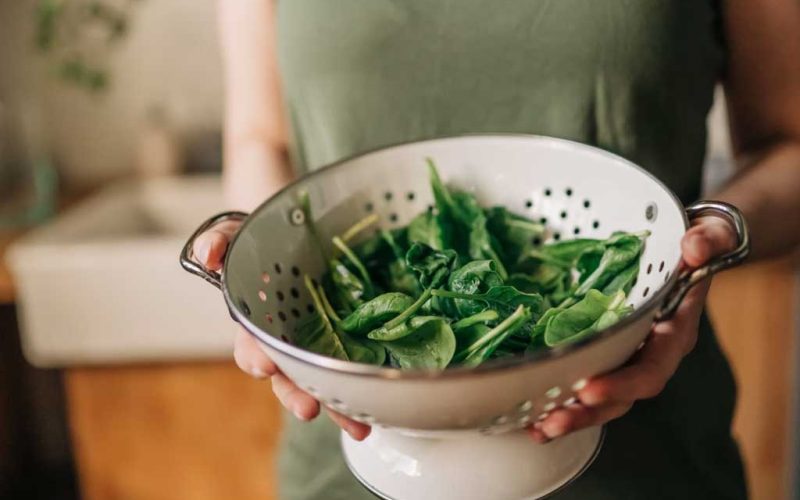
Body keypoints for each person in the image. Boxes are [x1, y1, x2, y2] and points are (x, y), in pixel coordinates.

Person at [192, 2, 800, 498]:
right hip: (349, 451)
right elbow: (259, 137)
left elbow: (789, 145)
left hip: (651, 454)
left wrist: (706, 238)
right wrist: (260, 251)